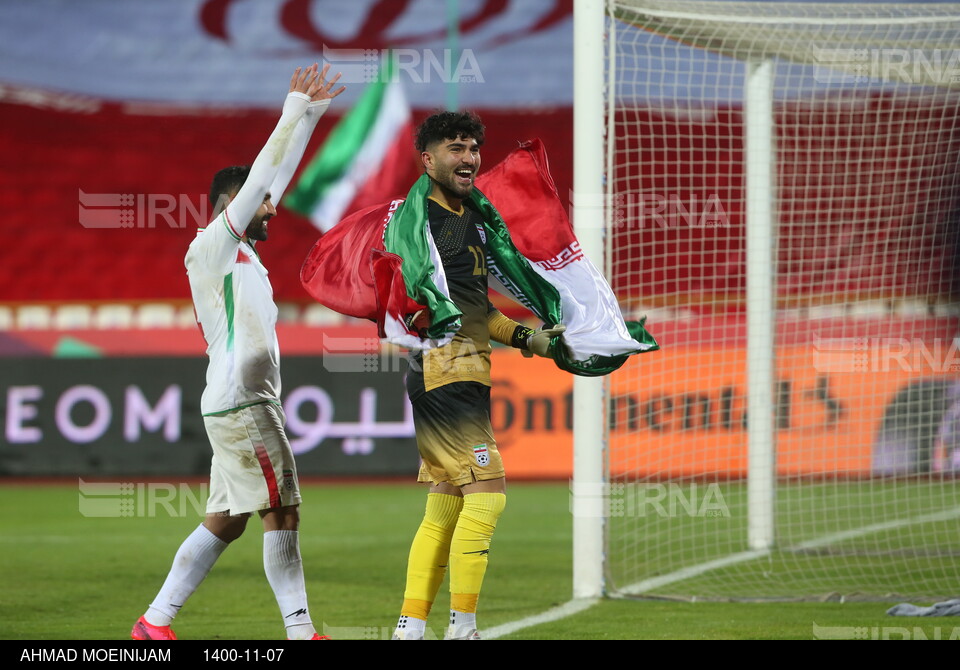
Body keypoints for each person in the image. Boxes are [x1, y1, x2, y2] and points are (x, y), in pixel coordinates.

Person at [131, 64, 345, 641]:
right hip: (244, 402)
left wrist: (311, 117)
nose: (272, 208)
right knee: (284, 512)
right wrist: (289, 110)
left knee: (225, 521)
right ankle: (301, 632)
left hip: (233, 401)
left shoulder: (243, 252)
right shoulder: (212, 248)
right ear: (232, 204)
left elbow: (271, 179)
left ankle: (154, 622)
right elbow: (259, 183)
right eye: (261, 203)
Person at [391, 112, 565, 641]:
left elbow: (476, 310)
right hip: (444, 368)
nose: (468, 158)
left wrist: (528, 339)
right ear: (428, 159)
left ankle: (410, 627)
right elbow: (409, 295)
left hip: (464, 371)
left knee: (445, 502)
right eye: (454, 148)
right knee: (488, 493)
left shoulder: (470, 218)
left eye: (472, 148)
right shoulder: (416, 222)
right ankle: (462, 628)